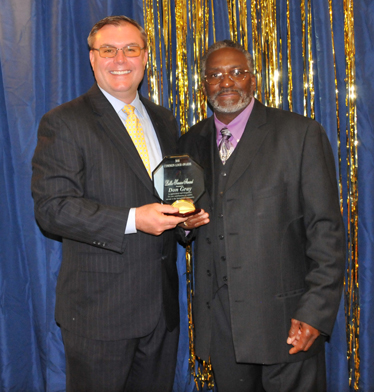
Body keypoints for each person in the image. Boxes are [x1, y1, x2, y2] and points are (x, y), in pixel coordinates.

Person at [31, 15, 207, 392]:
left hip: (160, 312)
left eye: (131, 49)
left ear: (145, 57)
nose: (120, 59)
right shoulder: (64, 122)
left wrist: (183, 222)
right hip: (99, 314)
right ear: (92, 58)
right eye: (108, 50)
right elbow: (52, 208)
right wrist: (133, 219)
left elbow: (169, 196)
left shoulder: (163, 119)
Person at [179, 40, 346, 392]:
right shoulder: (189, 143)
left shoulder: (299, 134)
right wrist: (182, 225)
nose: (226, 82)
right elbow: (181, 221)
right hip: (223, 327)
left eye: (237, 72)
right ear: (203, 85)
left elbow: (327, 232)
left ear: (254, 80)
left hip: (287, 323)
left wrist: (315, 312)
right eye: (215, 75)